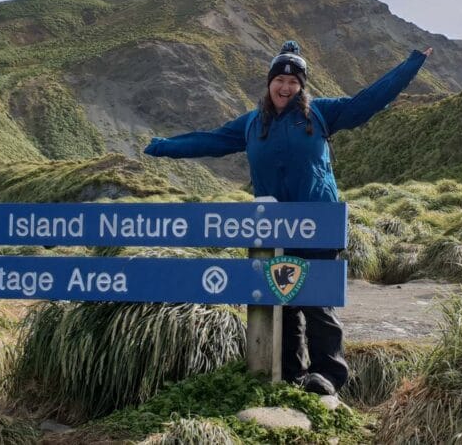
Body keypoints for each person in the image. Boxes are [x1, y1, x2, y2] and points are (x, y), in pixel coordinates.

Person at [143, 41, 432, 395]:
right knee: (283, 302)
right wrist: (163, 146)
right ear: (269, 83)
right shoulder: (251, 123)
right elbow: (209, 140)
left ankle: (328, 375)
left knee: (315, 302)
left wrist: (412, 64)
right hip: (272, 228)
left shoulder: (321, 113)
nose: (285, 87)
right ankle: (290, 376)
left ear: (302, 87)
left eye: (294, 82)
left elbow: (367, 101)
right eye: (279, 79)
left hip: (317, 225)